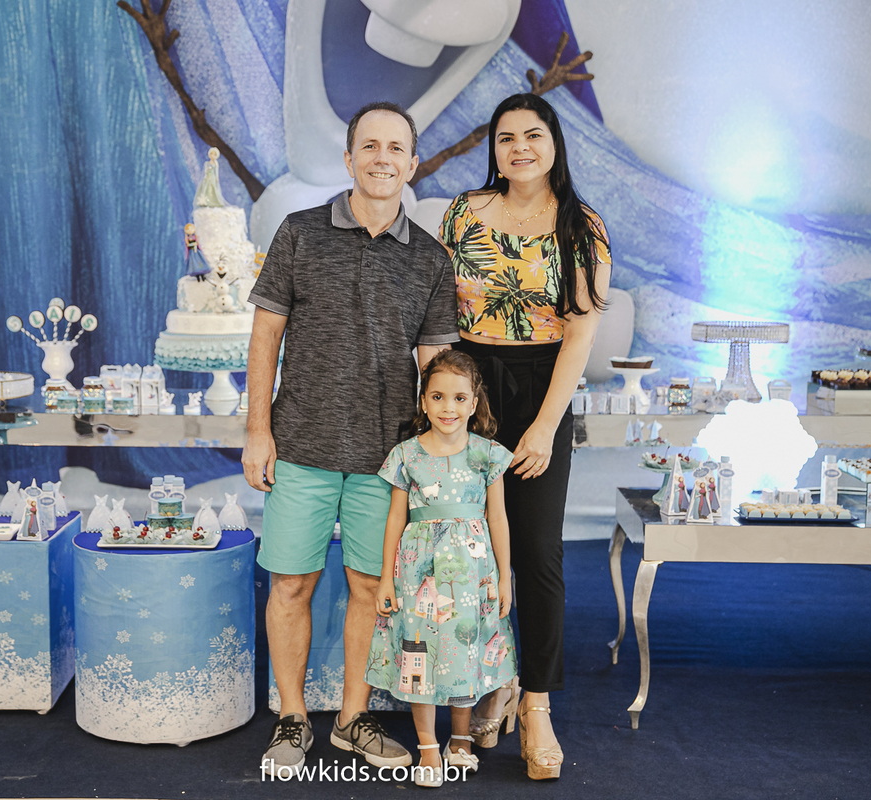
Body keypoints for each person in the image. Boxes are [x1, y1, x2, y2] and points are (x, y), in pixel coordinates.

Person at [244, 101, 459, 777]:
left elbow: (436, 367)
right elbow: (265, 336)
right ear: (348, 158)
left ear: (413, 164)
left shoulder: (430, 259)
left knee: (371, 589)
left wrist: (437, 455)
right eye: (370, 146)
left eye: (396, 148)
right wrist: (257, 430)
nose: (382, 158)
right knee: (291, 586)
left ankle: (350, 719)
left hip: (385, 459)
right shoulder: (300, 233)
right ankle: (291, 717)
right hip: (300, 446)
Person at [439, 92, 611, 780]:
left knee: (536, 551)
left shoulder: (581, 225)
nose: (519, 149)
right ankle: (493, 681)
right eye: (506, 138)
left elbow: (581, 334)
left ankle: (536, 705)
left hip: (544, 385)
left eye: (533, 136)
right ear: (494, 148)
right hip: (469, 386)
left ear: (554, 143)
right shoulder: (464, 212)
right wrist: (444, 400)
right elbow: (440, 310)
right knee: (472, 548)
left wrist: (544, 425)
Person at [366, 350, 516, 787]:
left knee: (464, 650)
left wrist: (504, 575)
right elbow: (396, 518)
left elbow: (498, 518)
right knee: (421, 653)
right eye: (437, 397)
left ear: (474, 402)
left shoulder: (488, 455)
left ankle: (460, 739)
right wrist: (386, 577)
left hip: (474, 574)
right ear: (424, 401)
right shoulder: (406, 455)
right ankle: (428, 746)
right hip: (418, 574)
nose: (448, 407)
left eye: (459, 398)